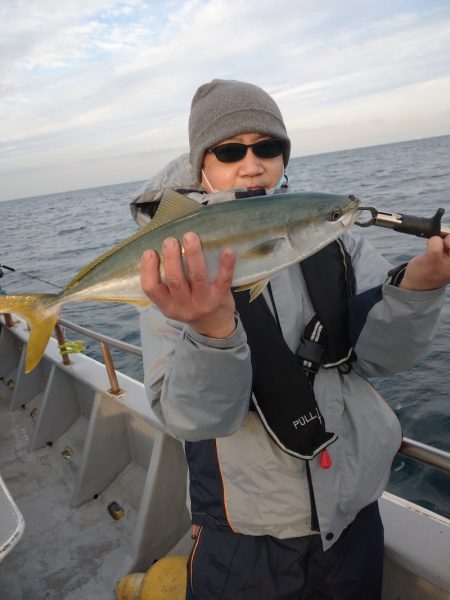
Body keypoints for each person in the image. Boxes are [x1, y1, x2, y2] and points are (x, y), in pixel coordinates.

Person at [135, 79, 450, 599]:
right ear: (201, 168)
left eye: (269, 147)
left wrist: (418, 288)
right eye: (231, 150)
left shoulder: (336, 240)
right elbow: (194, 421)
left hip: (352, 516)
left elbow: (380, 358)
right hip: (244, 533)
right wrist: (212, 335)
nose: (252, 163)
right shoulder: (175, 266)